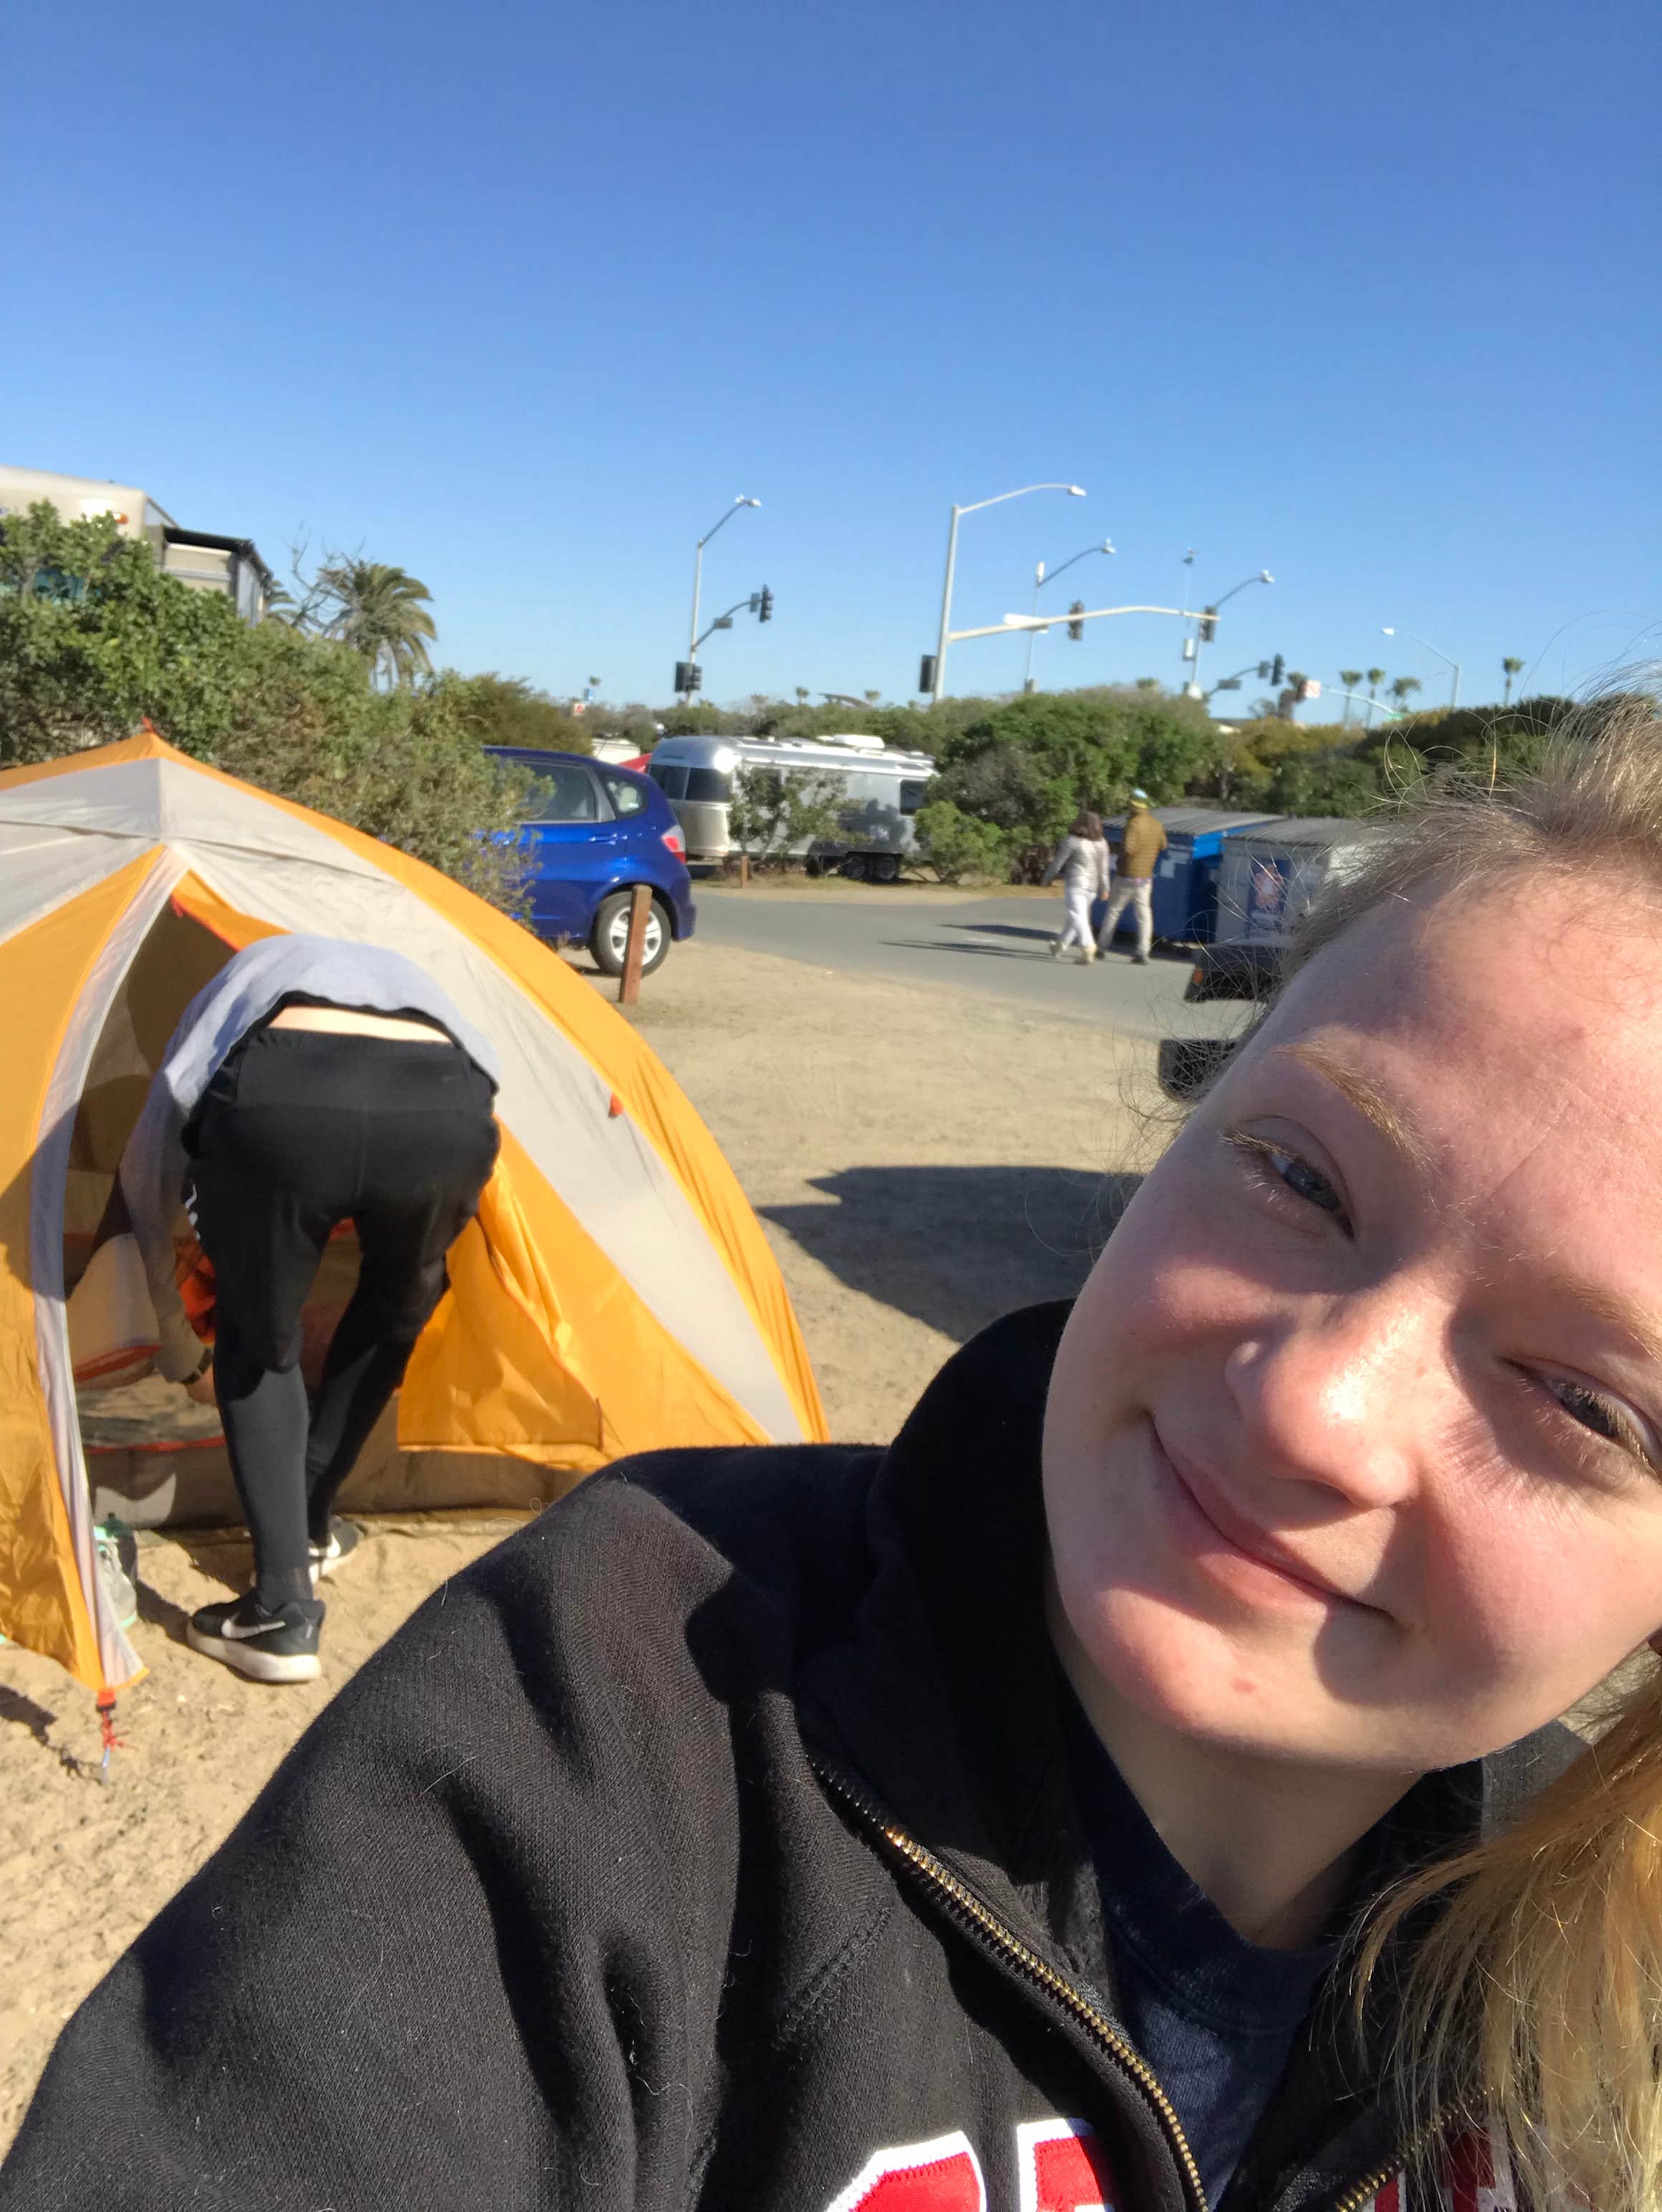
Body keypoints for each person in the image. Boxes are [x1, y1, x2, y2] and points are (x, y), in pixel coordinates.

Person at [13, 718, 1662, 2212]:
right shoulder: (620, 1707)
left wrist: (146, 1259)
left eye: (1585, 1402)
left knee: (263, 1361)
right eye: (1299, 1175)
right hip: (428, 1125)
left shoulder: (1576, 1991)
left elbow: (171, 1125)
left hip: (296, 1125)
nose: (1317, 1406)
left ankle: (285, 1563)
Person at [117, 934, 501, 1685]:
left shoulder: (242, 980)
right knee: (397, 1303)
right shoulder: (399, 964)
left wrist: (173, 1338)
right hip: (449, 1102)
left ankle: (281, 1610)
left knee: (259, 1338)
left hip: (284, 1101)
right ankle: (311, 1524)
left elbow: (149, 1171)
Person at [1097, 787, 1168, 963]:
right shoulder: (1157, 825)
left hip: (1127, 876)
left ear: (1133, 806)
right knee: (1144, 915)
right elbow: (1163, 846)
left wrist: (1114, 848)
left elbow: (1129, 848)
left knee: (1114, 911)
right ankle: (1143, 952)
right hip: (1145, 878)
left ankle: (1101, 947)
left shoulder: (1134, 823)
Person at [1041, 807, 1113, 963]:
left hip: (1076, 884)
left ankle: (1088, 946)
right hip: (1092, 888)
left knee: (1078, 916)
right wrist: (1105, 887)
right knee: (1076, 917)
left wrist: (1047, 878)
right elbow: (1104, 869)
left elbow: (1057, 864)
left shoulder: (1072, 840)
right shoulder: (1102, 843)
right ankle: (1060, 945)